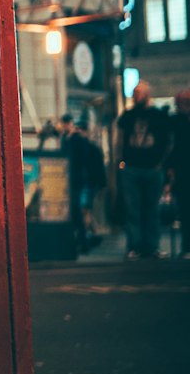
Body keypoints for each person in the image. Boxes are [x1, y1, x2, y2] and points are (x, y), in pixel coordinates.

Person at [116, 82, 172, 258]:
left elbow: (168, 141)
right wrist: (121, 162)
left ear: (147, 95)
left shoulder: (158, 116)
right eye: (134, 93)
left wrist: (161, 163)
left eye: (139, 93)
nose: (136, 96)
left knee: (151, 208)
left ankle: (151, 246)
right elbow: (120, 139)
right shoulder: (128, 116)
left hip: (151, 168)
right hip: (132, 167)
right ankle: (135, 246)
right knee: (133, 209)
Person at [60, 114, 106, 254]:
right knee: (82, 210)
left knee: (82, 210)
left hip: (82, 182)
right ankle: (88, 236)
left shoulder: (77, 141)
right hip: (81, 181)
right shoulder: (72, 140)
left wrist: (100, 183)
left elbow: (92, 165)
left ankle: (86, 237)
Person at [165, 88, 190, 257]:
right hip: (183, 171)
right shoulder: (175, 122)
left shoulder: (176, 122)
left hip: (181, 169)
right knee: (185, 210)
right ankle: (187, 246)